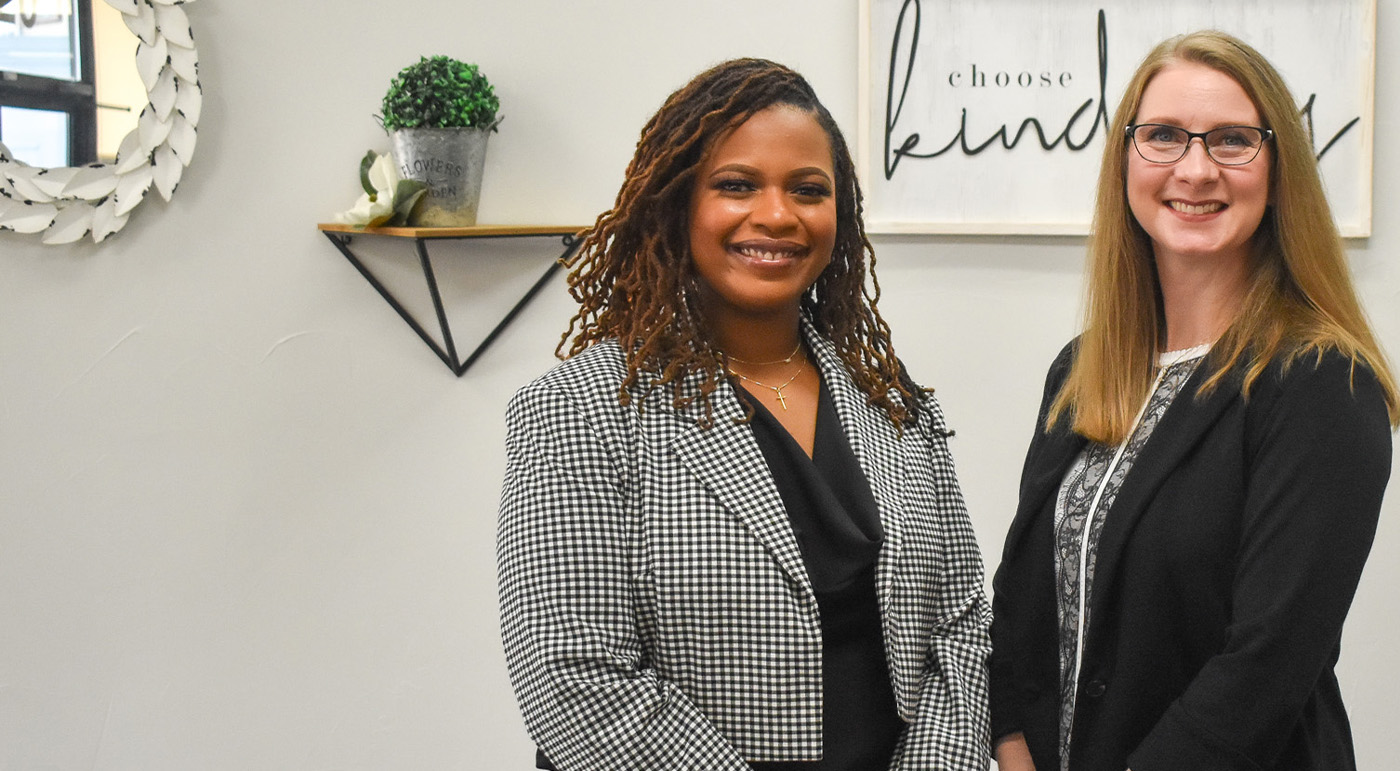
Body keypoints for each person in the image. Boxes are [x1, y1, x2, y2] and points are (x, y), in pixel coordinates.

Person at [497, 58, 990, 770]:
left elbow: (962, 629)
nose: (777, 215)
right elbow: (573, 679)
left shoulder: (894, 403)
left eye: (808, 190)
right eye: (736, 185)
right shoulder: (580, 409)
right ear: (676, 202)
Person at [989, 30, 1398, 771]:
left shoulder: (1321, 382)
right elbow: (1020, 602)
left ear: (1278, 172)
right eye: (1165, 136)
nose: (1197, 168)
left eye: (1234, 140)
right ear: (1125, 161)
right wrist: (1014, 744)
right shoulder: (1082, 369)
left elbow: (1266, 664)